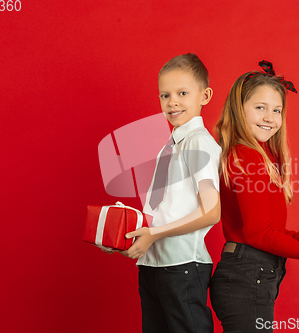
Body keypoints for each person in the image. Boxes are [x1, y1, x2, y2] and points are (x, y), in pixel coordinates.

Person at [210, 61, 299, 332]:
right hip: (247, 277)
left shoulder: (259, 156)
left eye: (276, 110)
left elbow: (267, 229)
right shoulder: (247, 155)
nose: (270, 117)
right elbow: (259, 234)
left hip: (250, 275)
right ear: (238, 108)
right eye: (260, 107)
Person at [120, 53, 221, 333]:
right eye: (165, 95)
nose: (172, 102)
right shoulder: (171, 144)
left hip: (182, 266)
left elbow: (211, 211)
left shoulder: (198, 143)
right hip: (154, 262)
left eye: (183, 93)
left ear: (205, 95)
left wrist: (155, 234)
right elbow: (166, 207)